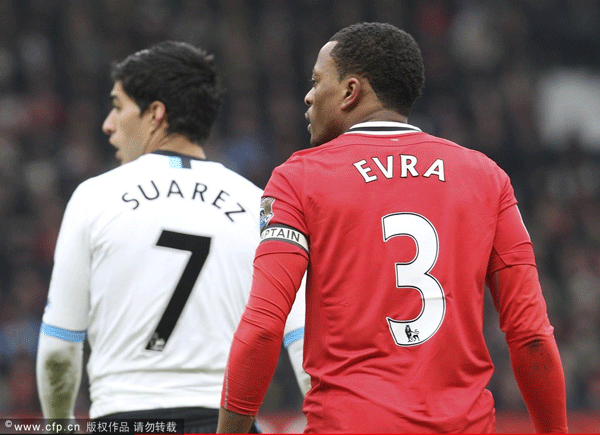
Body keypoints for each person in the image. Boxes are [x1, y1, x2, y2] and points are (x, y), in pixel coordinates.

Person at [217, 22, 568, 434]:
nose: (308, 96)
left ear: (350, 92)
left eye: (316, 81)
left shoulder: (299, 178)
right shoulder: (486, 177)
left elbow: (263, 327)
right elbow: (531, 337)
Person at [36, 41, 310, 434]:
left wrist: (57, 427)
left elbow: (60, 350)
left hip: (126, 417)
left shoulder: (94, 197)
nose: (108, 124)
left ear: (155, 114)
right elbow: (303, 342)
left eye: (117, 105)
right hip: (228, 422)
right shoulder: (257, 204)